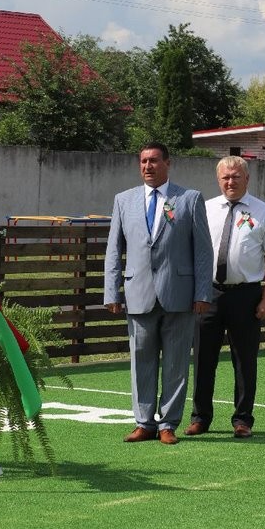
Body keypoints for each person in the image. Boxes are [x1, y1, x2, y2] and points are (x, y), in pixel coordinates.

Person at [104, 143, 213, 445]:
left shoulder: (189, 199)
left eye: (153, 160)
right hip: (138, 293)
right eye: (143, 161)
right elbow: (114, 248)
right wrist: (111, 291)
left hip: (179, 294)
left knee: (176, 364)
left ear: (167, 163)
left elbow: (203, 251)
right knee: (141, 361)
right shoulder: (123, 200)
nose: (147, 166)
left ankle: (168, 424)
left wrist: (203, 292)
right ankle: (144, 423)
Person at [185, 156, 265, 439]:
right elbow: (193, 252)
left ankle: (242, 419)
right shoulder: (204, 209)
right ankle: (200, 418)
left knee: (245, 360)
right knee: (203, 359)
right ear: (218, 180)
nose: (230, 182)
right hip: (209, 293)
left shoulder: (264, 212)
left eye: (236, 177)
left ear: (247, 179)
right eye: (225, 177)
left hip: (246, 295)